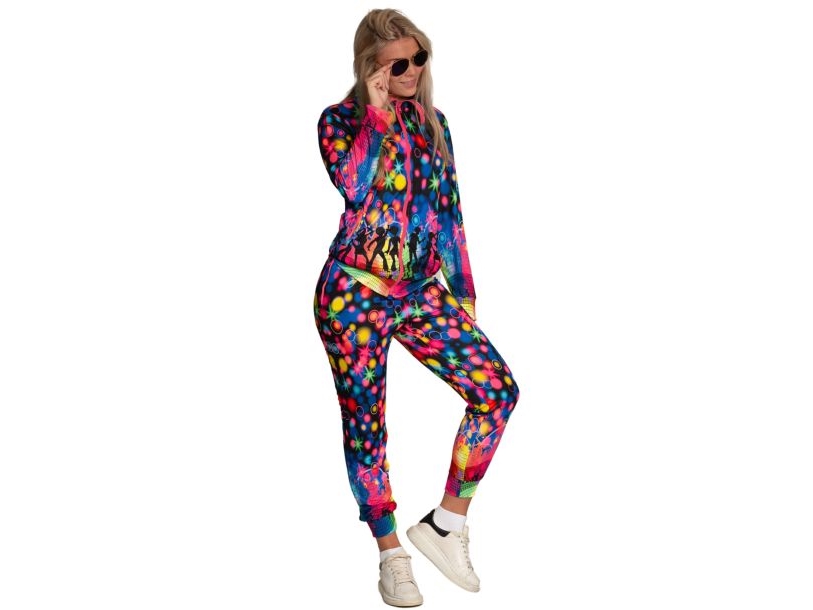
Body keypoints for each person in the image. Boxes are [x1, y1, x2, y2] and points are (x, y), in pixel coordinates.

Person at [313, 8, 520, 607]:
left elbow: (448, 211)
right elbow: (354, 186)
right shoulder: (339, 122)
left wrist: (464, 294)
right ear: (370, 68)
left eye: (418, 57)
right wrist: (376, 116)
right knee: (367, 425)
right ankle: (390, 554)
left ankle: (446, 525)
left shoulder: (434, 123)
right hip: (354, 295)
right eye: (396, 64)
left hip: (423, 292)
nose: (410, 71)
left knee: (497, 392)